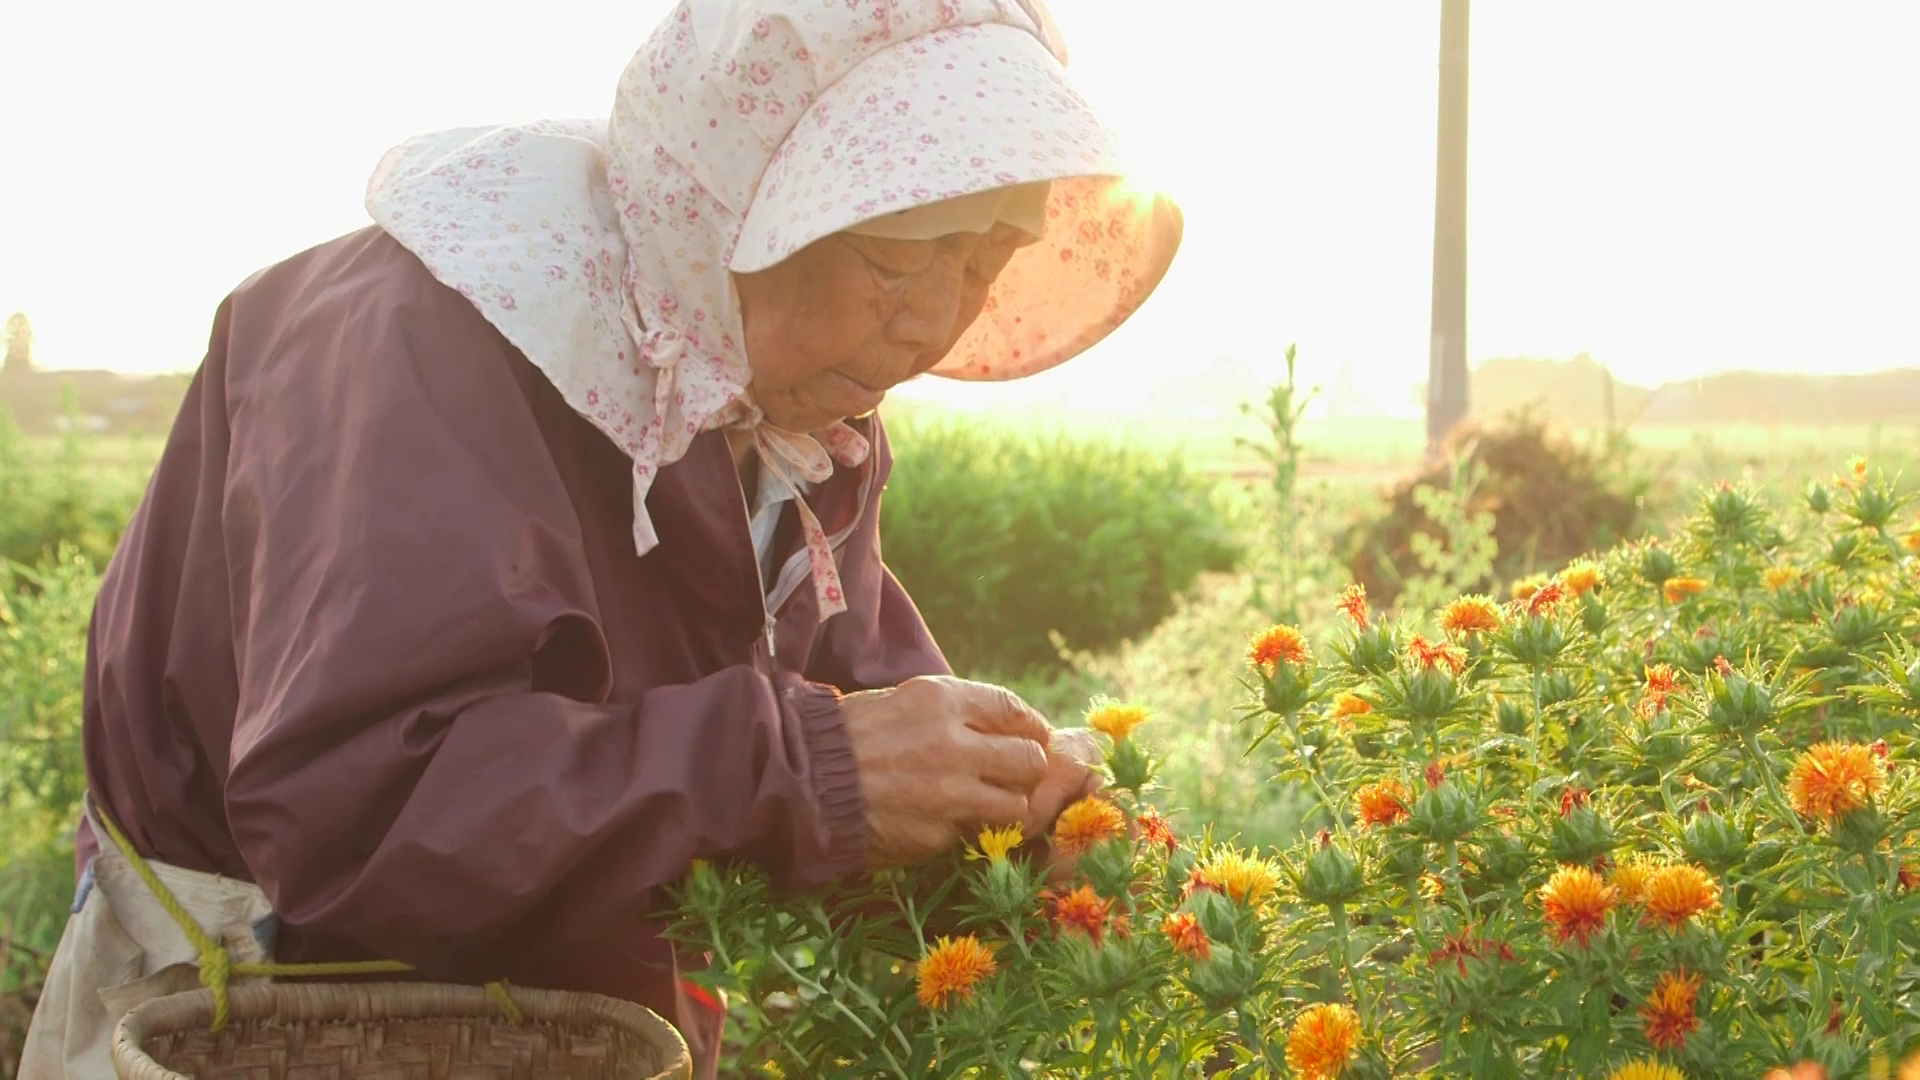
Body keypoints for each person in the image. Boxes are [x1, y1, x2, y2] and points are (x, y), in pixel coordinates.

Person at [19, 0, 1181, 1075]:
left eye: (985, 262)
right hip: (273, 1012)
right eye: (894, 257)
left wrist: (1012, 824)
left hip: (568, 1004)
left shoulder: (798, 410)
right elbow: (363, 818)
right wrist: (820, 771)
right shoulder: (421, 338)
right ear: (740, 200)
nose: (933, 326)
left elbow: (844, 719)